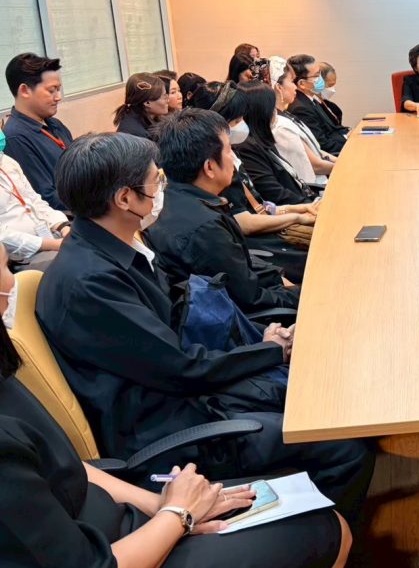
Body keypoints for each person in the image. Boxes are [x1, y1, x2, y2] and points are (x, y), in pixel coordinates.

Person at [35, 132, 374, 525]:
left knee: (329, 394)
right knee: (342, 444)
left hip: (190, 394)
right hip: (173, 428)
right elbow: (181, 367)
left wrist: (262, 342)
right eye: (156, 181)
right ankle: (326, 543)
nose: (162, 189)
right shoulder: (90, 282)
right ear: (125, 199)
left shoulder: (116, 248)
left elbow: (177, 332)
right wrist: (270, 350)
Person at [0, 247, 351, 568]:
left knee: (309, 509)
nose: (11, 281)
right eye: (2, 269)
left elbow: (69, 464)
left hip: (120, 519)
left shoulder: (6, 380)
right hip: (113, 557)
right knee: (327, 528)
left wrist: (158, 505)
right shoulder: (90, 281)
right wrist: (178, 515)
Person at [146, 109, 300, 313]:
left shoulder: (172, 197)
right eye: (229, 150)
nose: (233, 157)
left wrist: (278, 277)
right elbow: (251, 299)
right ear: (209, 167)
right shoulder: (205, 228)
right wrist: (303, 295)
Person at [211, 86, 315, 283]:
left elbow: (261, 206)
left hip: (266, 230)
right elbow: (246, 222)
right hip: (257, 242)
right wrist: (297, 216)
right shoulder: (222, 167)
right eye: (236, 121)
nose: (242, 124)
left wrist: (300, 208)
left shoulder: (236, 153)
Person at [3, 53, 74, 212]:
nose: (58, 97)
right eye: (51, 90)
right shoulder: (15, 138)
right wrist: (96, 199)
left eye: (58, 89)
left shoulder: (55, 124)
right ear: (25, 90)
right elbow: (46, 198)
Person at [233, 81, 318, 206]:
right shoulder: (246, 146)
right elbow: (275, 194)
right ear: (262, 111)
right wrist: (311, 205)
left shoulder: (262, 138)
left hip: (303, 198)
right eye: (272, 107)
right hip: (294, 208)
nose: (276, 112)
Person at [0, 127, 71, 271]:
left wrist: (62, 227)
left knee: (96, 243)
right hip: (20, 256)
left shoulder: (6, 162)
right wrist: (52, 245)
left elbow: (36, 201)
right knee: (76, 263)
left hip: (51, 235)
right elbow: (3, 237)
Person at [273, 65, 335, 185]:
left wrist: (341, 161)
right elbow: (315, 166)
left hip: (323, 177)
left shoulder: (286, 114)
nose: (295, 86)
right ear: (279, 87)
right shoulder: (281, 126)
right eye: (292, 81)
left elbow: (318, 151)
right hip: (316, 185)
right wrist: (344, 165)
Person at [286, 54, 349, 154]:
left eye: (319, 74)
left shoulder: (311, 99)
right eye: (316, 76)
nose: (321, 79)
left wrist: (348, 136)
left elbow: (331, 130)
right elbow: (323, 145)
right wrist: (350, 144)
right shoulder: (300, 108)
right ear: (302, 84)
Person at [113, 73, 170, 140]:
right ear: (147, 102)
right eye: (164, 96)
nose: (168, 100)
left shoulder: (149, 119)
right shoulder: (136, 135)